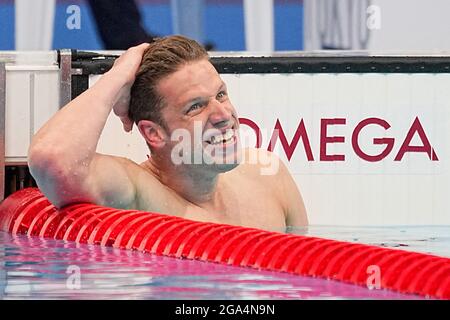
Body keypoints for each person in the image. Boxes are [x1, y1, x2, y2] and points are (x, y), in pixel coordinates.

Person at [27, 36, 308, 232]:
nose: (224, 116)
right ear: (154, 133)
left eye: (220, 94)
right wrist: (118, 76)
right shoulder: (137, 195)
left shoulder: (269, 178)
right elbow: (52, 160)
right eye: (195, 107)